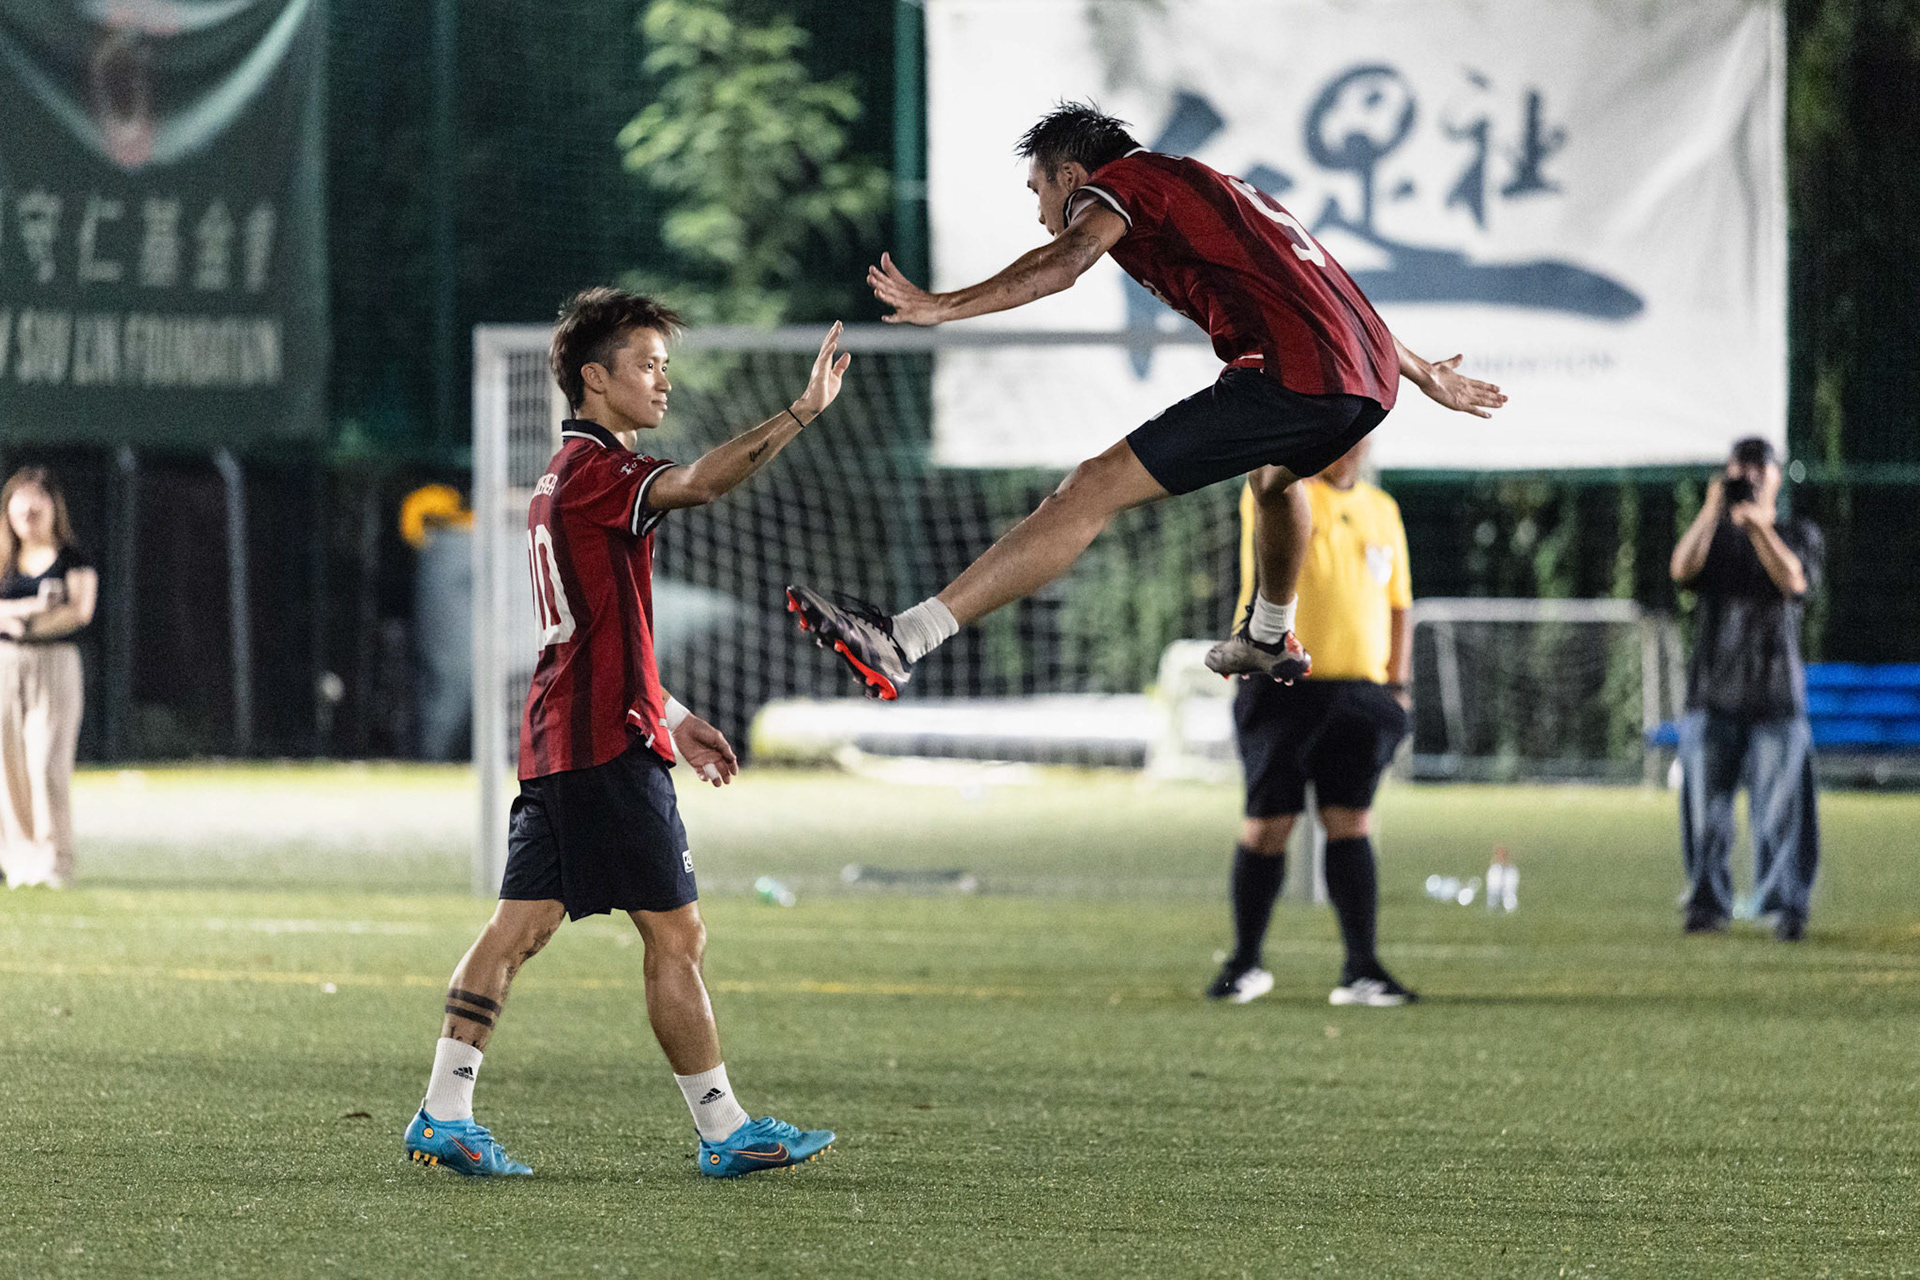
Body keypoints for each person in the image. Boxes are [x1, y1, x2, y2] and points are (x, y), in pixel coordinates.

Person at [784, 102, 1504, 697]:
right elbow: (1325, 288)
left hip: (1295, 375)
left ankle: (905, 638)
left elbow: (1064, 263)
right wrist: (1417, 371)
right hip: (1364, 382)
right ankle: (1268, 635)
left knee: (1088, 490)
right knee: (1276, 477)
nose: (1043, 215)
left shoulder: (1129, 181)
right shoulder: (1211, 185)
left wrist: (944, 305)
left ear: (1073, 176)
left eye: (1040, 194)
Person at [404, 289, 848, 1178]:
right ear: (595, 378)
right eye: (646, 365)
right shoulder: (601, 475)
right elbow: (703, 481)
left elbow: (603, 628)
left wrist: (676, 717)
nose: (662, 382)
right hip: (605, 750)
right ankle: (724, 1130)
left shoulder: (556, 479)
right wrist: (801, 411)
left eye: (664, 366)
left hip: (570, 738)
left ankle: (442, 1113)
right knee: (674, 937)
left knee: (517, 927)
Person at [1204, 436, 1417, 1007]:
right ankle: (1245, 963)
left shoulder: (1382, 509)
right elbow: (1271, 476)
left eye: (1361, 434)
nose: (1352, 446)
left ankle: (1362, 970)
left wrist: (1397, 687)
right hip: (1281, 685)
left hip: (1360, 693)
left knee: (1351, 822)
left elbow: (1400, 607)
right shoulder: (1281, 491)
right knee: (1267, 825)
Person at [1669, 437, 1823, 942]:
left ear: (1777, 476)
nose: (1750, 474)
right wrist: (1714, 508)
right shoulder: (1714, 537)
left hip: (1776, 698)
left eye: (1760, 465)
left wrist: (1759, 527)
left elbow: (1794, 581)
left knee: (1781, 815)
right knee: (1705, 816)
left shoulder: (1798, 533)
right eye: (1741, 465)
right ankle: (1707, 903)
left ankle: (1784, 907)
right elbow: (1682, 569)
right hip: (1713, 695)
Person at [0, 467, 98, 891]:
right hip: (5, 662)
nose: (29, 510)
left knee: (46, 765)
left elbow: (79, 610)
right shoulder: (3, 558)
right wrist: (28, 611)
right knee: (10, 767)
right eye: (20, 501)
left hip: (54, 663)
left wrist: (33, 625)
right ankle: (19, 861)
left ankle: (54, 860)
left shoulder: (72, 557)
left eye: (38, 500)